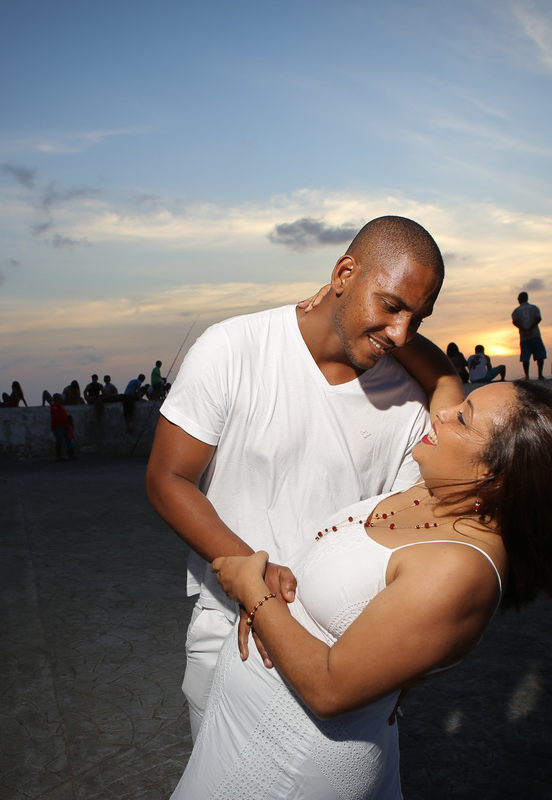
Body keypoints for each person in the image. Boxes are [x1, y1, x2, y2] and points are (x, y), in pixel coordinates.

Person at [171, 363, 552, 798]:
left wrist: (253, 593)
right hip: (239, 735)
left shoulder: (460, 569)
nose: (442, 414)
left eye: (462, 416)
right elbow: (443, 377)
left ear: (493, 475)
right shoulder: (443, 489)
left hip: (291, 767)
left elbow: (329, 690)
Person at [147, 215, 451, 741]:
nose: (402, 333)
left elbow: (408, 536)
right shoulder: (231, 349)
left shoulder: (410, 400)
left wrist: (398, 642)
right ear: (344, 273)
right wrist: (251, 576)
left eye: (418, 318)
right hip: (230, 630)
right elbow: (168, 478)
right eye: (392, 305)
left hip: (347, 646)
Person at [511, 291, 546, 379]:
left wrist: (524, 329)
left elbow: (515, 322)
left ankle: (527, 376)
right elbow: (538, 319)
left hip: (524, 336)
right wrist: (530, 328)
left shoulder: (516, 311)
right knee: (539, 355)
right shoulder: (534, 308)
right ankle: (540, 374)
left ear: (520, 299)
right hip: (535, 334)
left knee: (525, 357)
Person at [49, 395, 76, 461]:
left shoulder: (59, 405)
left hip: (63, 426)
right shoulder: (55, 405)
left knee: (66, 440)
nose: (61, 398)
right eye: (59, 397)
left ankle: (69, 455)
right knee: (59, 441)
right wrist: (60, 423)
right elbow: (55, 415)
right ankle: (58, 456)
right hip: (58, 426)